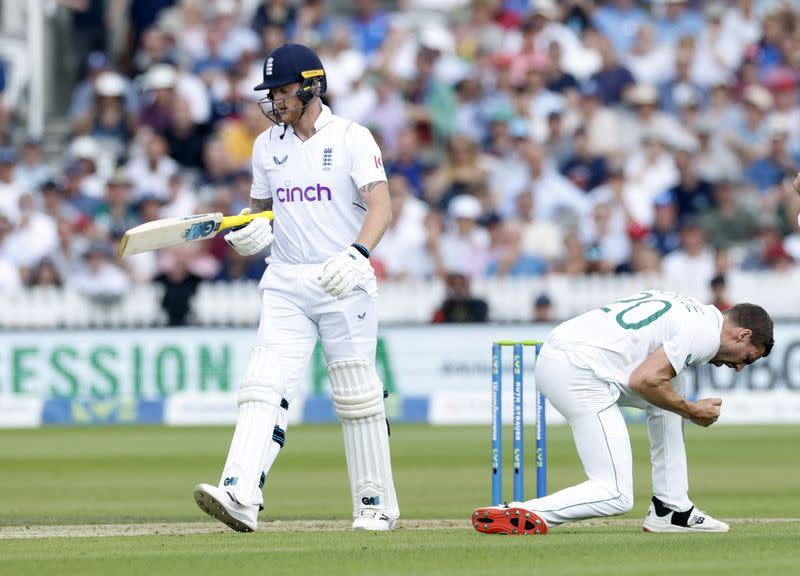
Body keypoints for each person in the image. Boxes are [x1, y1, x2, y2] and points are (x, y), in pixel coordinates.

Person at [193, 43, 398, 532]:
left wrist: (357, 255)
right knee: (263, 382)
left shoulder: (352, 137)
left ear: (312, 87)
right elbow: (260, 208)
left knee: (356, 393)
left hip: (342, 278)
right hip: (285, 279)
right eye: (271, 93)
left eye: (283, 91)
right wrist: (248, 230)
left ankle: (375, 506)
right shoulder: (267, 145)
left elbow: (382, 207)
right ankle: (240, 492)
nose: (275, 102)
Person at [472, 289, 774, 535]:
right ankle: (523, 512)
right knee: (615, 494)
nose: (738, 367)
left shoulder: (694, 310)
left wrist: (682, 406)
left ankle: (672, 509)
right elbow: (643, 380)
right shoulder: (705, 336)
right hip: (579, 372)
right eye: (747, 358)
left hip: (568, 355)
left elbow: (654, 380)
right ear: (742, 335)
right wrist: (694, 412)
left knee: (674, 388)